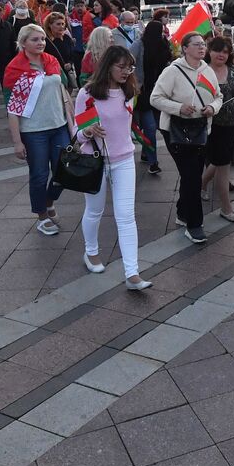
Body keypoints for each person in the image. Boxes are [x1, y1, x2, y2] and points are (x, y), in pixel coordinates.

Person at [76, 46, 151, 290]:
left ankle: (132, 273)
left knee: (126, 216)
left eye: (129, 67)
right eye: (121, 67)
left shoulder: (129, 92)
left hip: (124, 160)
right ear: (108, 65)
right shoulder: (87, 94)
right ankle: (91, 252)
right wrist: (88, 131)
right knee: (95, 211)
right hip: (95, 161)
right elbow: (77, 136)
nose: (126, 72)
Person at [151, 32, 218, 244]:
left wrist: (212, 108)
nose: (201, 48)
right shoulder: (173, 70)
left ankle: (182, 211)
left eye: (203, 45)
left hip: (200, 128)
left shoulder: (207, 70)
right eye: (196, 45)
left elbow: (219, 96)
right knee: (191, 176)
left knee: (193, 173)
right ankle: (194, 224)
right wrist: (179, 108)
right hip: (176, 130)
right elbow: (155, 98)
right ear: (185, 48)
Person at [6, 24, 71, 235]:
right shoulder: (15, 69)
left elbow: (63, 93)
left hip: (59, 125)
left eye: (42, 39)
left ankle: (49, 200)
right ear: (23, 42)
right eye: (35, 39)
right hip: (34, 131)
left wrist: (72, 124)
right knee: (39, 175)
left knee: (64, 171)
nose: (41, 43)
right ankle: (42, 216)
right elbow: (12, 108)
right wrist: (17, 141)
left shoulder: (51, 61)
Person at [201, 35, 234, 222]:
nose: (221, 55)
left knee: (219, 162)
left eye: (225, 51)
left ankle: (201, 185)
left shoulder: (232, 71)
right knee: (223, 165)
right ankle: (226, 208)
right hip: (210, 126)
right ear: (210, 51)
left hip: (230, 124)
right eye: (217, 50)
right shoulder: (203, 71)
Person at [136, 9, 172, 177]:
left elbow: (169, 62)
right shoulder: (139, 45)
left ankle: (146, 153)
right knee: (149, 127)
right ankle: (153, 162)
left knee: (153, 126)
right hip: (143, 92)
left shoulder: (163, 44)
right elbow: (127, 60)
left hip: (159, 91)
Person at [43, 12, 78, 89]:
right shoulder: (46, 41)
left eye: (63, 24)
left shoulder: (67, 38)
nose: (61, 26)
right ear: (50, 25)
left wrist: (69, 63)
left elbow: (73, 55)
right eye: (58, 24)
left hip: (67, 73)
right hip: (53, 75)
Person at [111, 11, 144, 88]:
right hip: (120, 66)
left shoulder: (139, 33)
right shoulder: (113, 34)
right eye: (127, 22)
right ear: (121, 21)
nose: (130, 24)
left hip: (135, 67)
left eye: (132, 22)